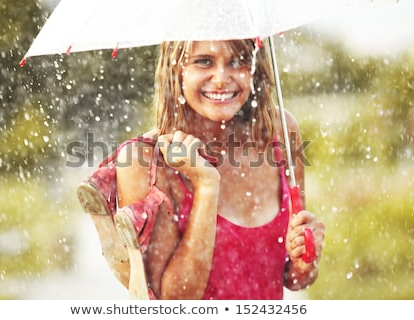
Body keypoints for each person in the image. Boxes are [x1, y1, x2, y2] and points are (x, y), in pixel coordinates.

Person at [78, 38, 325, 300]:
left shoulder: (279, 131)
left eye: (238, 61)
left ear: (256, 68)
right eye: (203, 61)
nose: (221, 78)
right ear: (176, 70)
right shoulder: (145, 161)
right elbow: (174, 303)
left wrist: (305, 260)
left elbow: (294, 279)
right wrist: (207, 186)